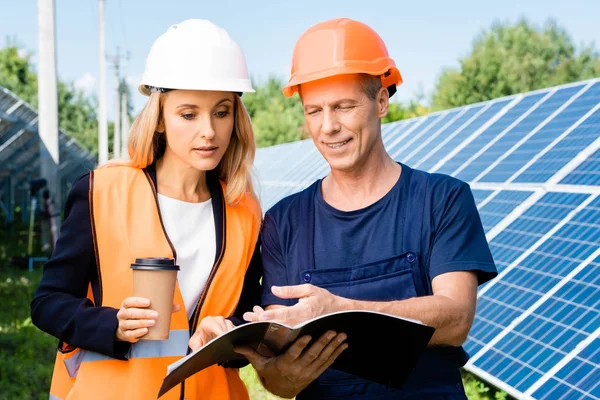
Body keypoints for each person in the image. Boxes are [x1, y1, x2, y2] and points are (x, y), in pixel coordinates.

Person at [235, 18, 498, 399]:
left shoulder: (442, 199)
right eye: (314, 111)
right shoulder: (284, 222)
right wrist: (282, 376)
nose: (328, 127)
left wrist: (339, 311)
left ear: (381, 101)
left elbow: (455, 318)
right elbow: (276, 378)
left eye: (344, 106)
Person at [30, 19, 263, 400]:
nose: (208, 131)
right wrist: (113, 326)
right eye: (188, 114)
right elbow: (48, 303)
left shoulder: (246, 212)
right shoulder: (101, 192)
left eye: (221, 112)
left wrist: (228, 334)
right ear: (159, 119)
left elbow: (247, 317)